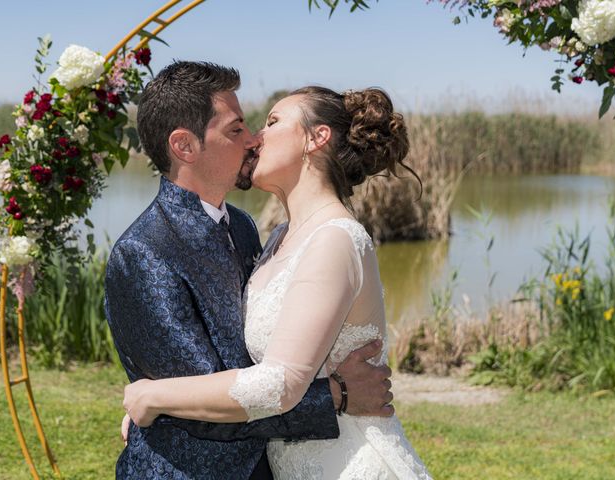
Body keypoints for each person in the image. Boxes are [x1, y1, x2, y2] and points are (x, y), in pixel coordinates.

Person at [122, 84, 432, 479]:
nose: (255, 138)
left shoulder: (334, 240)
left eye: (272, 122)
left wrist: (153, 396)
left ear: (316, 138)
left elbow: (279, 383)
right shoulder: (276, 238)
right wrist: (166, 414)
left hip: (347, 463)